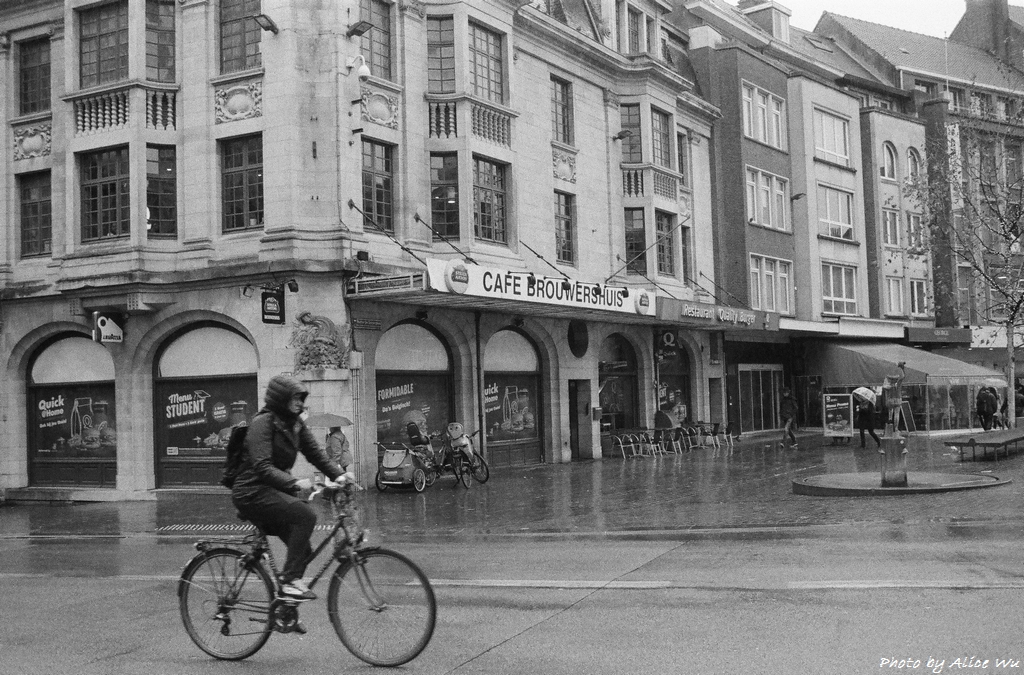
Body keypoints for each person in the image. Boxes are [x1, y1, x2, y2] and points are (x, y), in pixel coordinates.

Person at [231, 374, 346, 601]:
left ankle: (285, 608)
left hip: (272, 491)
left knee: (303, 551)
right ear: (280, 398)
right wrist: (294, 483)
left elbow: (316, 455)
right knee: (305, 516)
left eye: (301, 398)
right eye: (294, 398)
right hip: (251, 491)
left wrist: (340, 475)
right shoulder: (263, 423)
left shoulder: (295, 425)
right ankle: (289, 582)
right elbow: (262, 466)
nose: (299, 403)